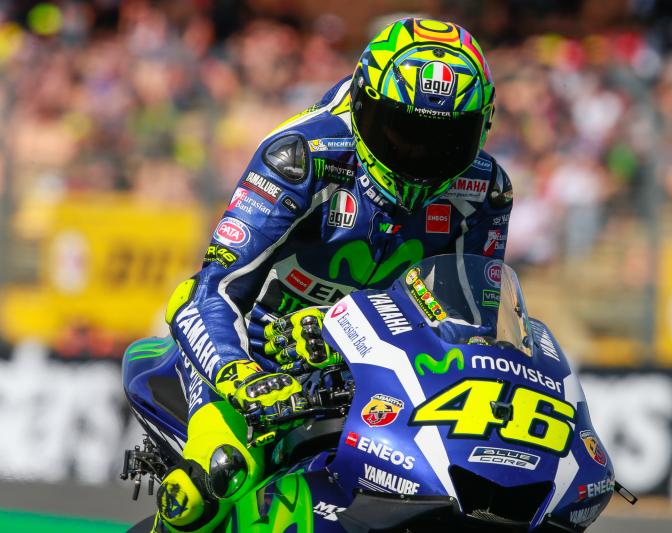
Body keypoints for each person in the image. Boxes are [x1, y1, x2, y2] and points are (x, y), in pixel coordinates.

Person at [155, 17, 513, 531]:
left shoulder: (484, 190)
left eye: (445, 140)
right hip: (257, 362)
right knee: (210, 482)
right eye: (401, 131)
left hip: (370, 374)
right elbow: (209, 290)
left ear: (481, 128)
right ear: (364, 105)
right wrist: (241, 376)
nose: (419, 156)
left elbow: (471, 326)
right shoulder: (302, 156)